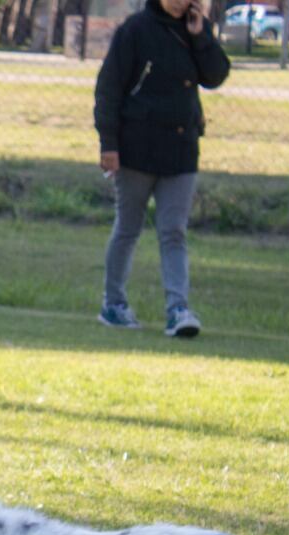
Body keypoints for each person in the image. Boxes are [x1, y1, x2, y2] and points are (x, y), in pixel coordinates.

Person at [94, 0, 229, 338]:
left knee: (174, 232)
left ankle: (178, 309)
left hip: (181, 152)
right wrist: (109, 143)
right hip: (136, 149)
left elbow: (215, 75)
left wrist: (201, 36)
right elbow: (109, 88)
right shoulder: (135, 30)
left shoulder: (195, 29)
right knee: (128, 227)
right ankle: (114, 304)